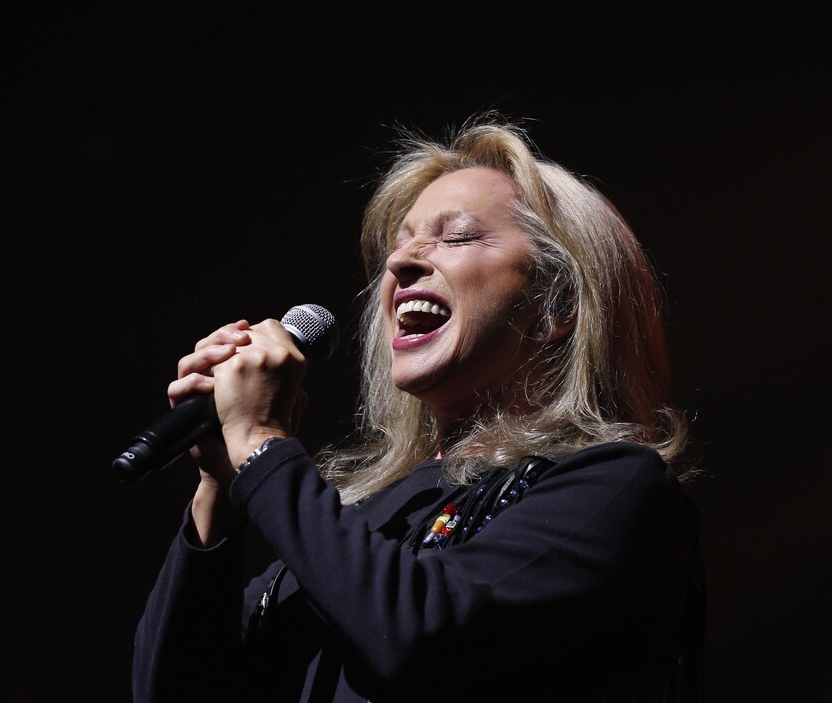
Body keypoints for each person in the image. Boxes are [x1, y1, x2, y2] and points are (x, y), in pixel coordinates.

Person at [129, 114, 705, 703]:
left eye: (455, 237)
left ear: (557, 305)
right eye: (399, 245)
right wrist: (220, 485)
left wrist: (261, 443)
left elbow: (417, 637)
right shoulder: (359, 521)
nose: (400, 265)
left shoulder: (614, 489)